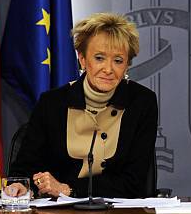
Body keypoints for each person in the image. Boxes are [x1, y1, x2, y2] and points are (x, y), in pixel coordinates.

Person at [10, 12, 157, 198]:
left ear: (127, 65)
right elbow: (24, 169)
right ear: (82, 59)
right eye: (99, 58)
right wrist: (23, 186)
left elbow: (134, 182)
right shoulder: (52, 103)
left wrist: (68, 189)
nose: (108, 69)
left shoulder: (142, 102)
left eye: (118, 61)